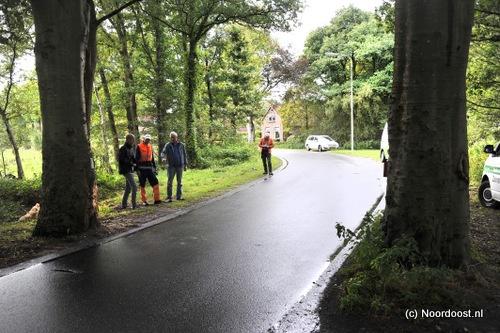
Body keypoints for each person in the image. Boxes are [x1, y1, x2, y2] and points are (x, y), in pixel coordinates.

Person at [161, 131, 188, 202]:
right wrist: (163, 158)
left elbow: (184, 155)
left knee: (180, 182)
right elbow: (163, 153)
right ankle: (169, 197)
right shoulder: (168, 145)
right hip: (171, 166)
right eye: (171, 137)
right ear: (170, 138)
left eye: (174, 137)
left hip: (180, 166)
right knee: (170, 182)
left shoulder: (182, 145)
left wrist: (185, 164)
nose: (172, 138)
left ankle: (179, 196)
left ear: (177, 137)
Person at [136, 134, 161, 205]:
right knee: (142, 184)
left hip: (150, 168)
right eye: (147, 139)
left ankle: (157, 199)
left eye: (149, 139)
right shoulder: (139, 146)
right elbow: (136, 158)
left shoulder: (150, 146)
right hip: (142, 169)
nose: (148, 140)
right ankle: (144, 201)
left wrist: (154, 168)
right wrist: (137, 169)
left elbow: (152, 158)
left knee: (155, 182)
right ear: (143, 139)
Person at [118, 134, 138, 209]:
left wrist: (136, 164)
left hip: (129, 169)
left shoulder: (131, 148)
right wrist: (131, 163)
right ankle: (134, 205)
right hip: (125, 170)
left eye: (133, 140)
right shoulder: (123, 148)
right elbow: (121, 160)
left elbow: (133, 158)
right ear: (128, 140)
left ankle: (124, 204)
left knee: (128, 188)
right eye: (132, 140)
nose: (133, 142)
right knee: (134, 187)